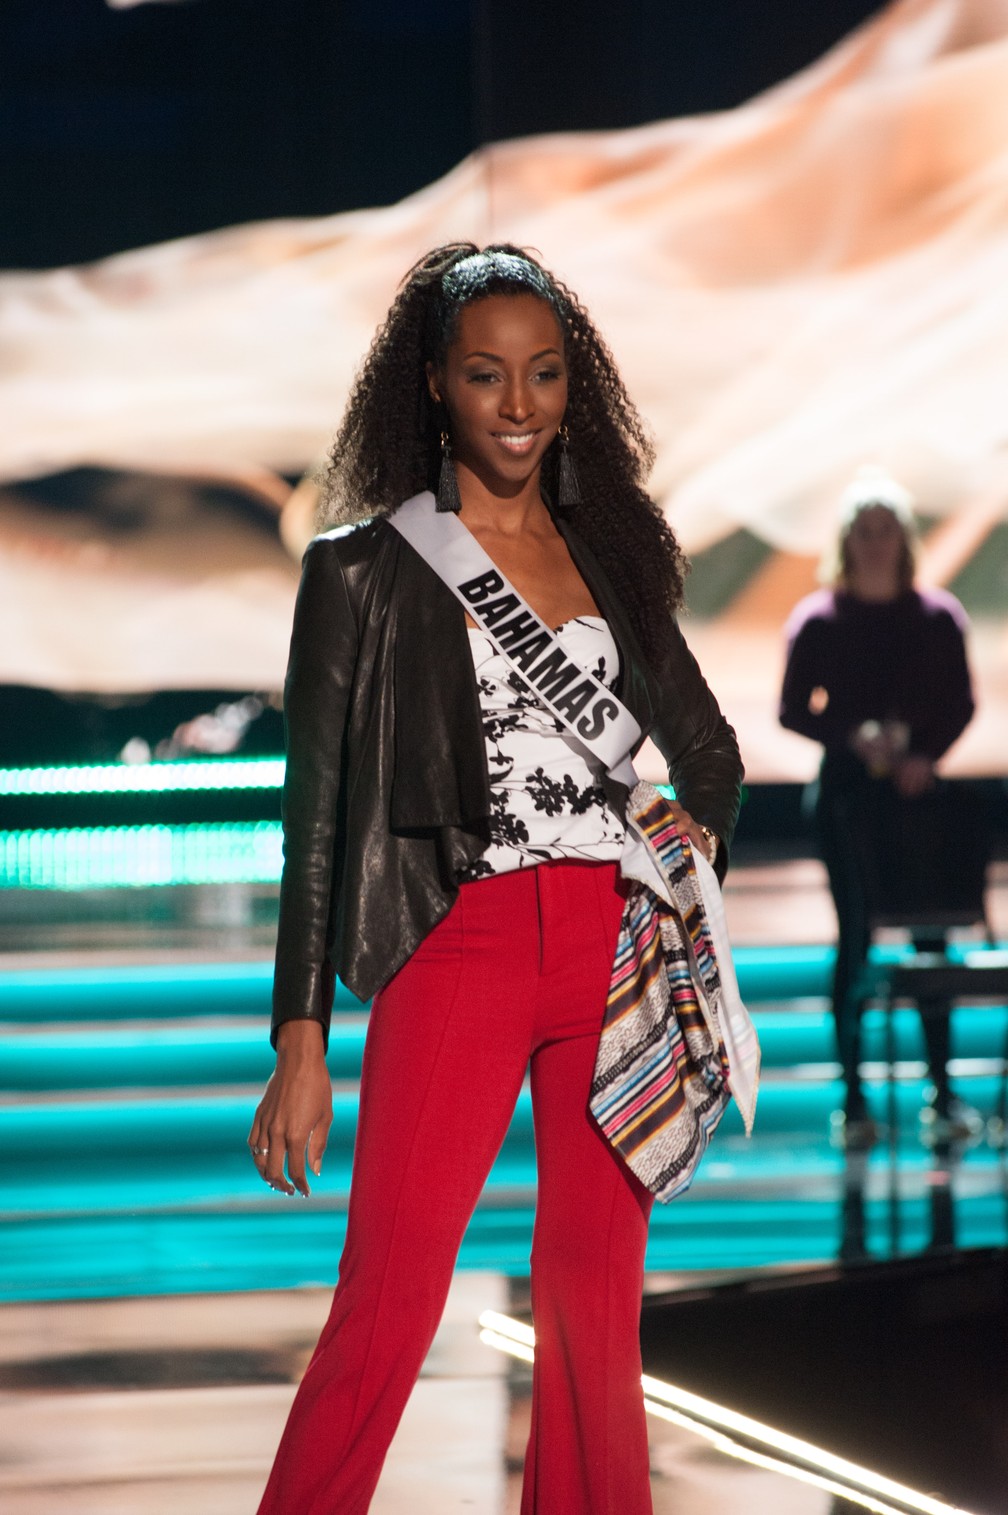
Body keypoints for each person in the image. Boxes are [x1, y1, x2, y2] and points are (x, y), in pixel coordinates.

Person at [248, 243, 743, 1515]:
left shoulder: (612, 561)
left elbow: (708, 750)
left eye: (543, 374)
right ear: (433, 386)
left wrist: (693, 829)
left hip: (613, 952)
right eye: (486, 376)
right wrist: (298, 1039)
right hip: (454, 944)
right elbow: (317, 819)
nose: (518, 405)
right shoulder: (362, 572)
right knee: (391, 1300)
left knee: (594, 1306)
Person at [779, 470, 976, 1148]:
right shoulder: (818, 619)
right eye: (863, 531)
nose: (874, 543)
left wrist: (923, 752)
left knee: (932, 939)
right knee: (855, 936)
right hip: (847, 800)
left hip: (917, 800)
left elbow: (962, 702)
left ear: (903, 539)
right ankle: (855, 1101)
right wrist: (852, 736)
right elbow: (791, 707)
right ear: (846, 541)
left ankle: (944, 1095)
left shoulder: (937, 616)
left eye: (885, 529)